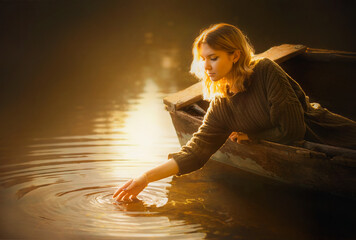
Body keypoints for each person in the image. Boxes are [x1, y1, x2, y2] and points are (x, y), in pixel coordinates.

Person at [113, 23, 356, 202]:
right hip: (305, 156)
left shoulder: (265, 70)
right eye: (203, 59)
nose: (206, 66)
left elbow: (293, 129)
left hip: (334, 135)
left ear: (235, 55)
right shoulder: (221, 102)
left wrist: (255, 137)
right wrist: (145, 177)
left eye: (213, 58)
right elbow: (196, 152)